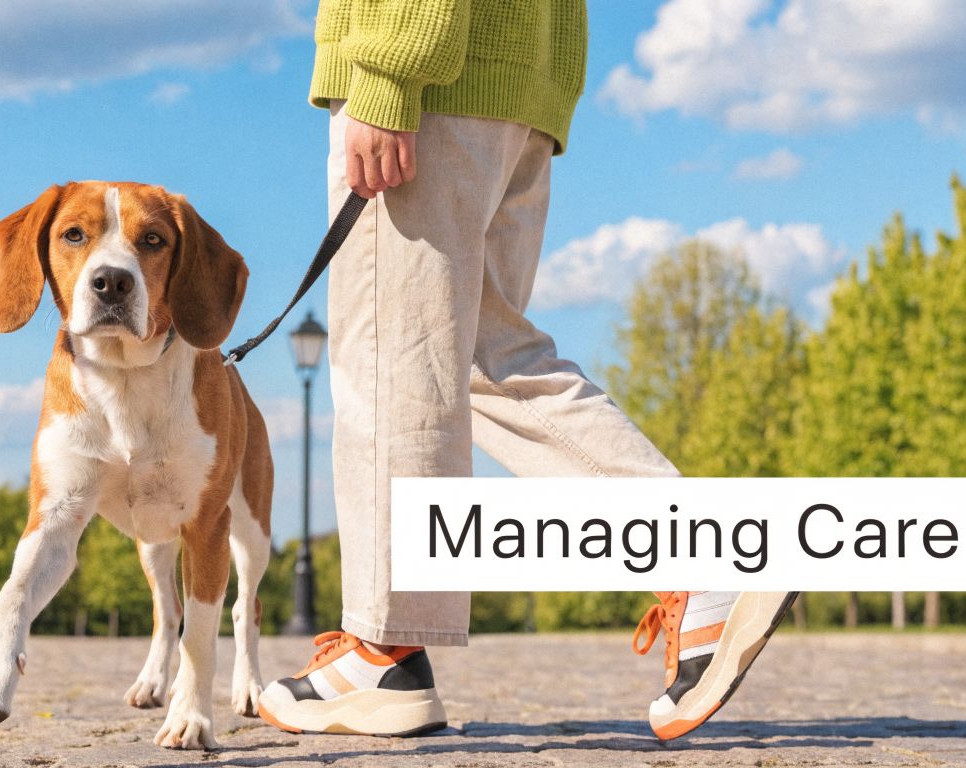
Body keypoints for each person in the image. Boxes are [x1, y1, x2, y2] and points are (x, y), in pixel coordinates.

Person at [256, 0, 796, 741]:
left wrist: (386, 71)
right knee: (481, 360)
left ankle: (382, 654)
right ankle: (398, 653)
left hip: (430, 74)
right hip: (511, 76)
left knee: (393, 363)